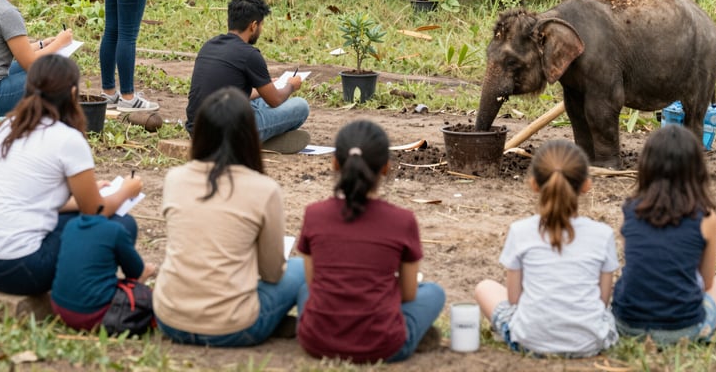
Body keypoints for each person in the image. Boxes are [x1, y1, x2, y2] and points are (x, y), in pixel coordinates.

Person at [0, 55, 144, 296]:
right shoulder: (68, 139)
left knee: (80, 216)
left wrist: (88, 195)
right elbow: (96, 211)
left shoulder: (10, 126)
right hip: (21, 268)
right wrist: (126, 191)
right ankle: (88, 290)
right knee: (121, 225)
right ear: (72, 94)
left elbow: (31, 198)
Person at [154, 87, 305, 346]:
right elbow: (271, 274)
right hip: (232, 326)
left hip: (169, 318)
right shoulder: (263, 189)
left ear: (200, 132)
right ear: (250, 136)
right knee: (302, 268)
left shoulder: (175, 178)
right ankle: (300, 326)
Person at [296, 119, 446, 363]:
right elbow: (408, 294)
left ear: (335, 164)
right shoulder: (403, 220)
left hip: (317, 342)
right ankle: (411, 333)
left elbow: (313, 283)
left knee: (303, 289)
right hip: (384, 346)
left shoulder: (314, 214)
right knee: (434, 292)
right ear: (386, 167)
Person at [474, 139, 618, 357]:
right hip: (590, 343)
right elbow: (602, 301)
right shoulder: (603, 234)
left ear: (534, 184)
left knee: (484, 287)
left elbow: (514, 301)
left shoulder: (519, 231)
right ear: (587, 185)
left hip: (530, 341)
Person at [612, 124, 716, 344]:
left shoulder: (630, 210)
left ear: (646, 166)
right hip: (683, 328)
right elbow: (707, 281)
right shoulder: (707, 218)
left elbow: (637, 263)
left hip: (627, 324)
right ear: (695, 169)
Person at [185, 0, 309, 153]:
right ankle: (253, 140)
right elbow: (275, 101)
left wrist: (266, 87)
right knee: (300, 106)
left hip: (197, 130)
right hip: (226, 134)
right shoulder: (249, 54)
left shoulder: (209, 46)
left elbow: (229, 92)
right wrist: (291, 86)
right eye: (261, 25)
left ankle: (258, 138)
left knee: (258, 101)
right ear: (253, 25)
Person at [51, 209, 157, 331]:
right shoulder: (115, 230)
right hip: (94, 314)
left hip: (59, 309)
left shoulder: (71, 224)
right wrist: (144, 274)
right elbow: (135, 272)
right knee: (154, 299)